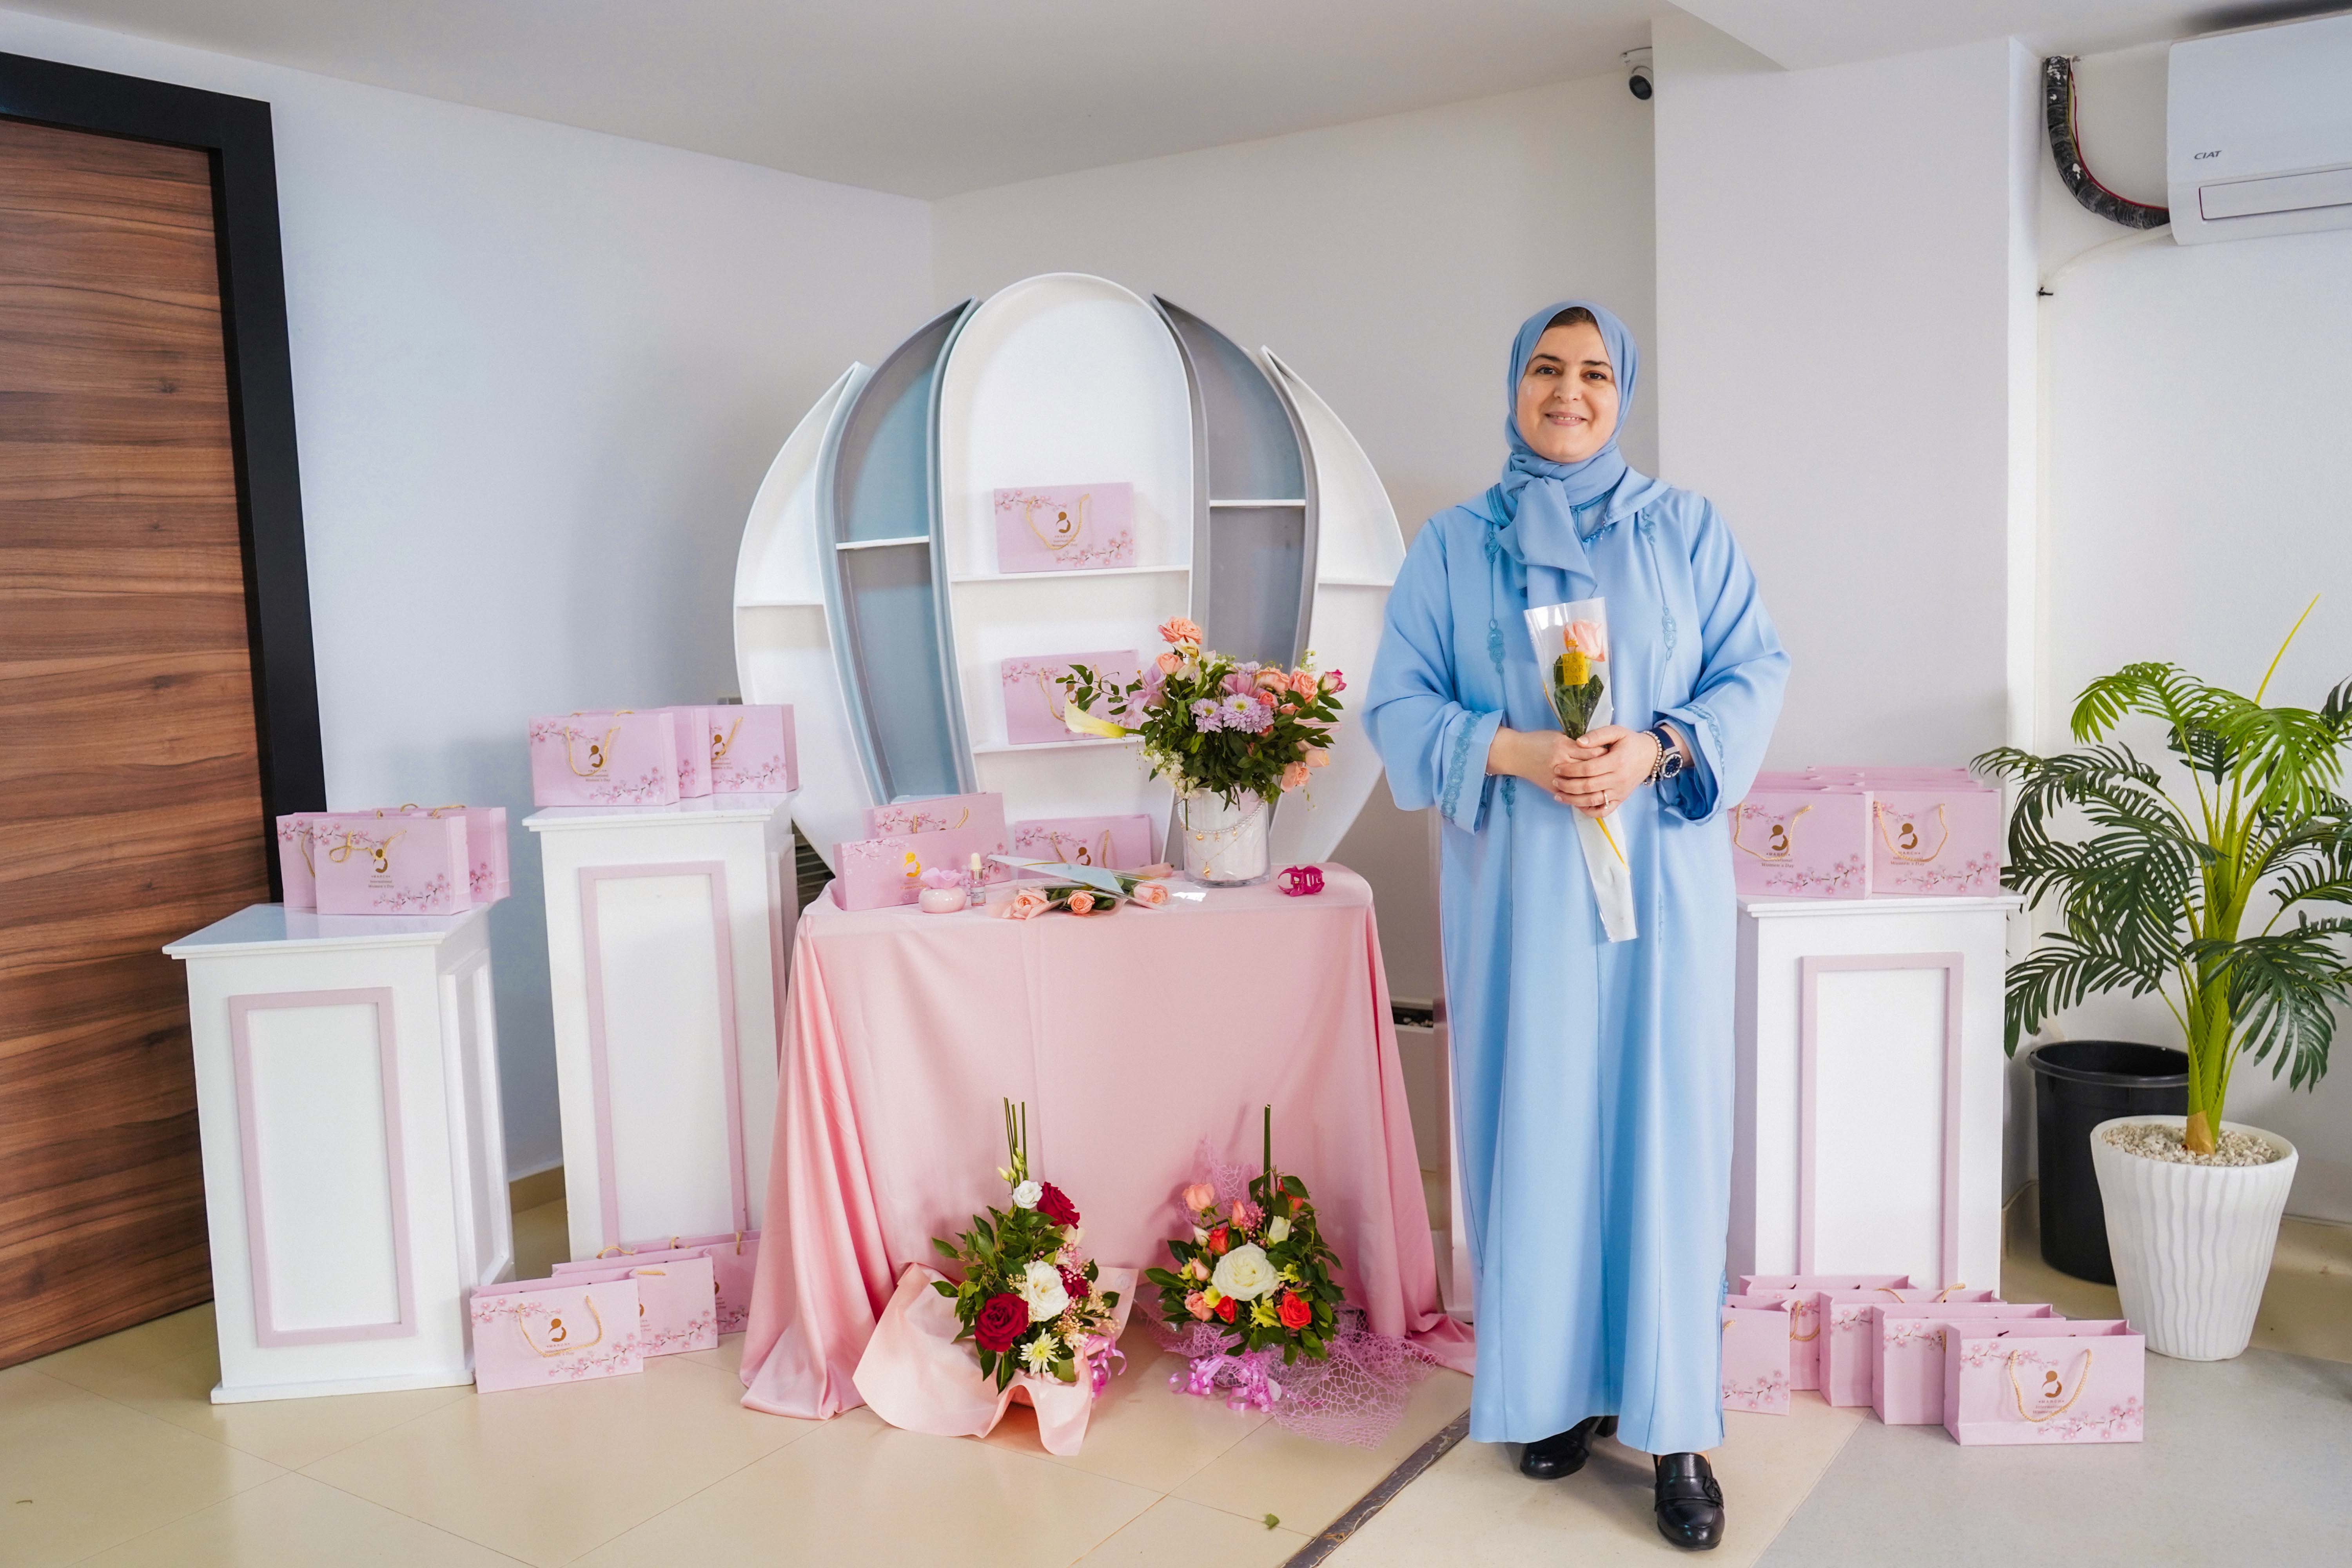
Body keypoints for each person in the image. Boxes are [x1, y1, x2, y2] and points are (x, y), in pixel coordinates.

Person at [1364, 301, 1787, 1551]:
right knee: (1540, 1123)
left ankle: (1677, 1427)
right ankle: (1552, 1393)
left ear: (1622, 393)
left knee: (1664, 1133)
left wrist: (1656, 747)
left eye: (1594, 372)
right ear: (1514, 387)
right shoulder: (1457, 546)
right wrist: (1516, 751)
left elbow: (1753, 672)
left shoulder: (1687, 530)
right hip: (1524, 890)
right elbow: (1398, 703)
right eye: (1546, 369)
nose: (1569, 391)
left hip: (1659, 884)